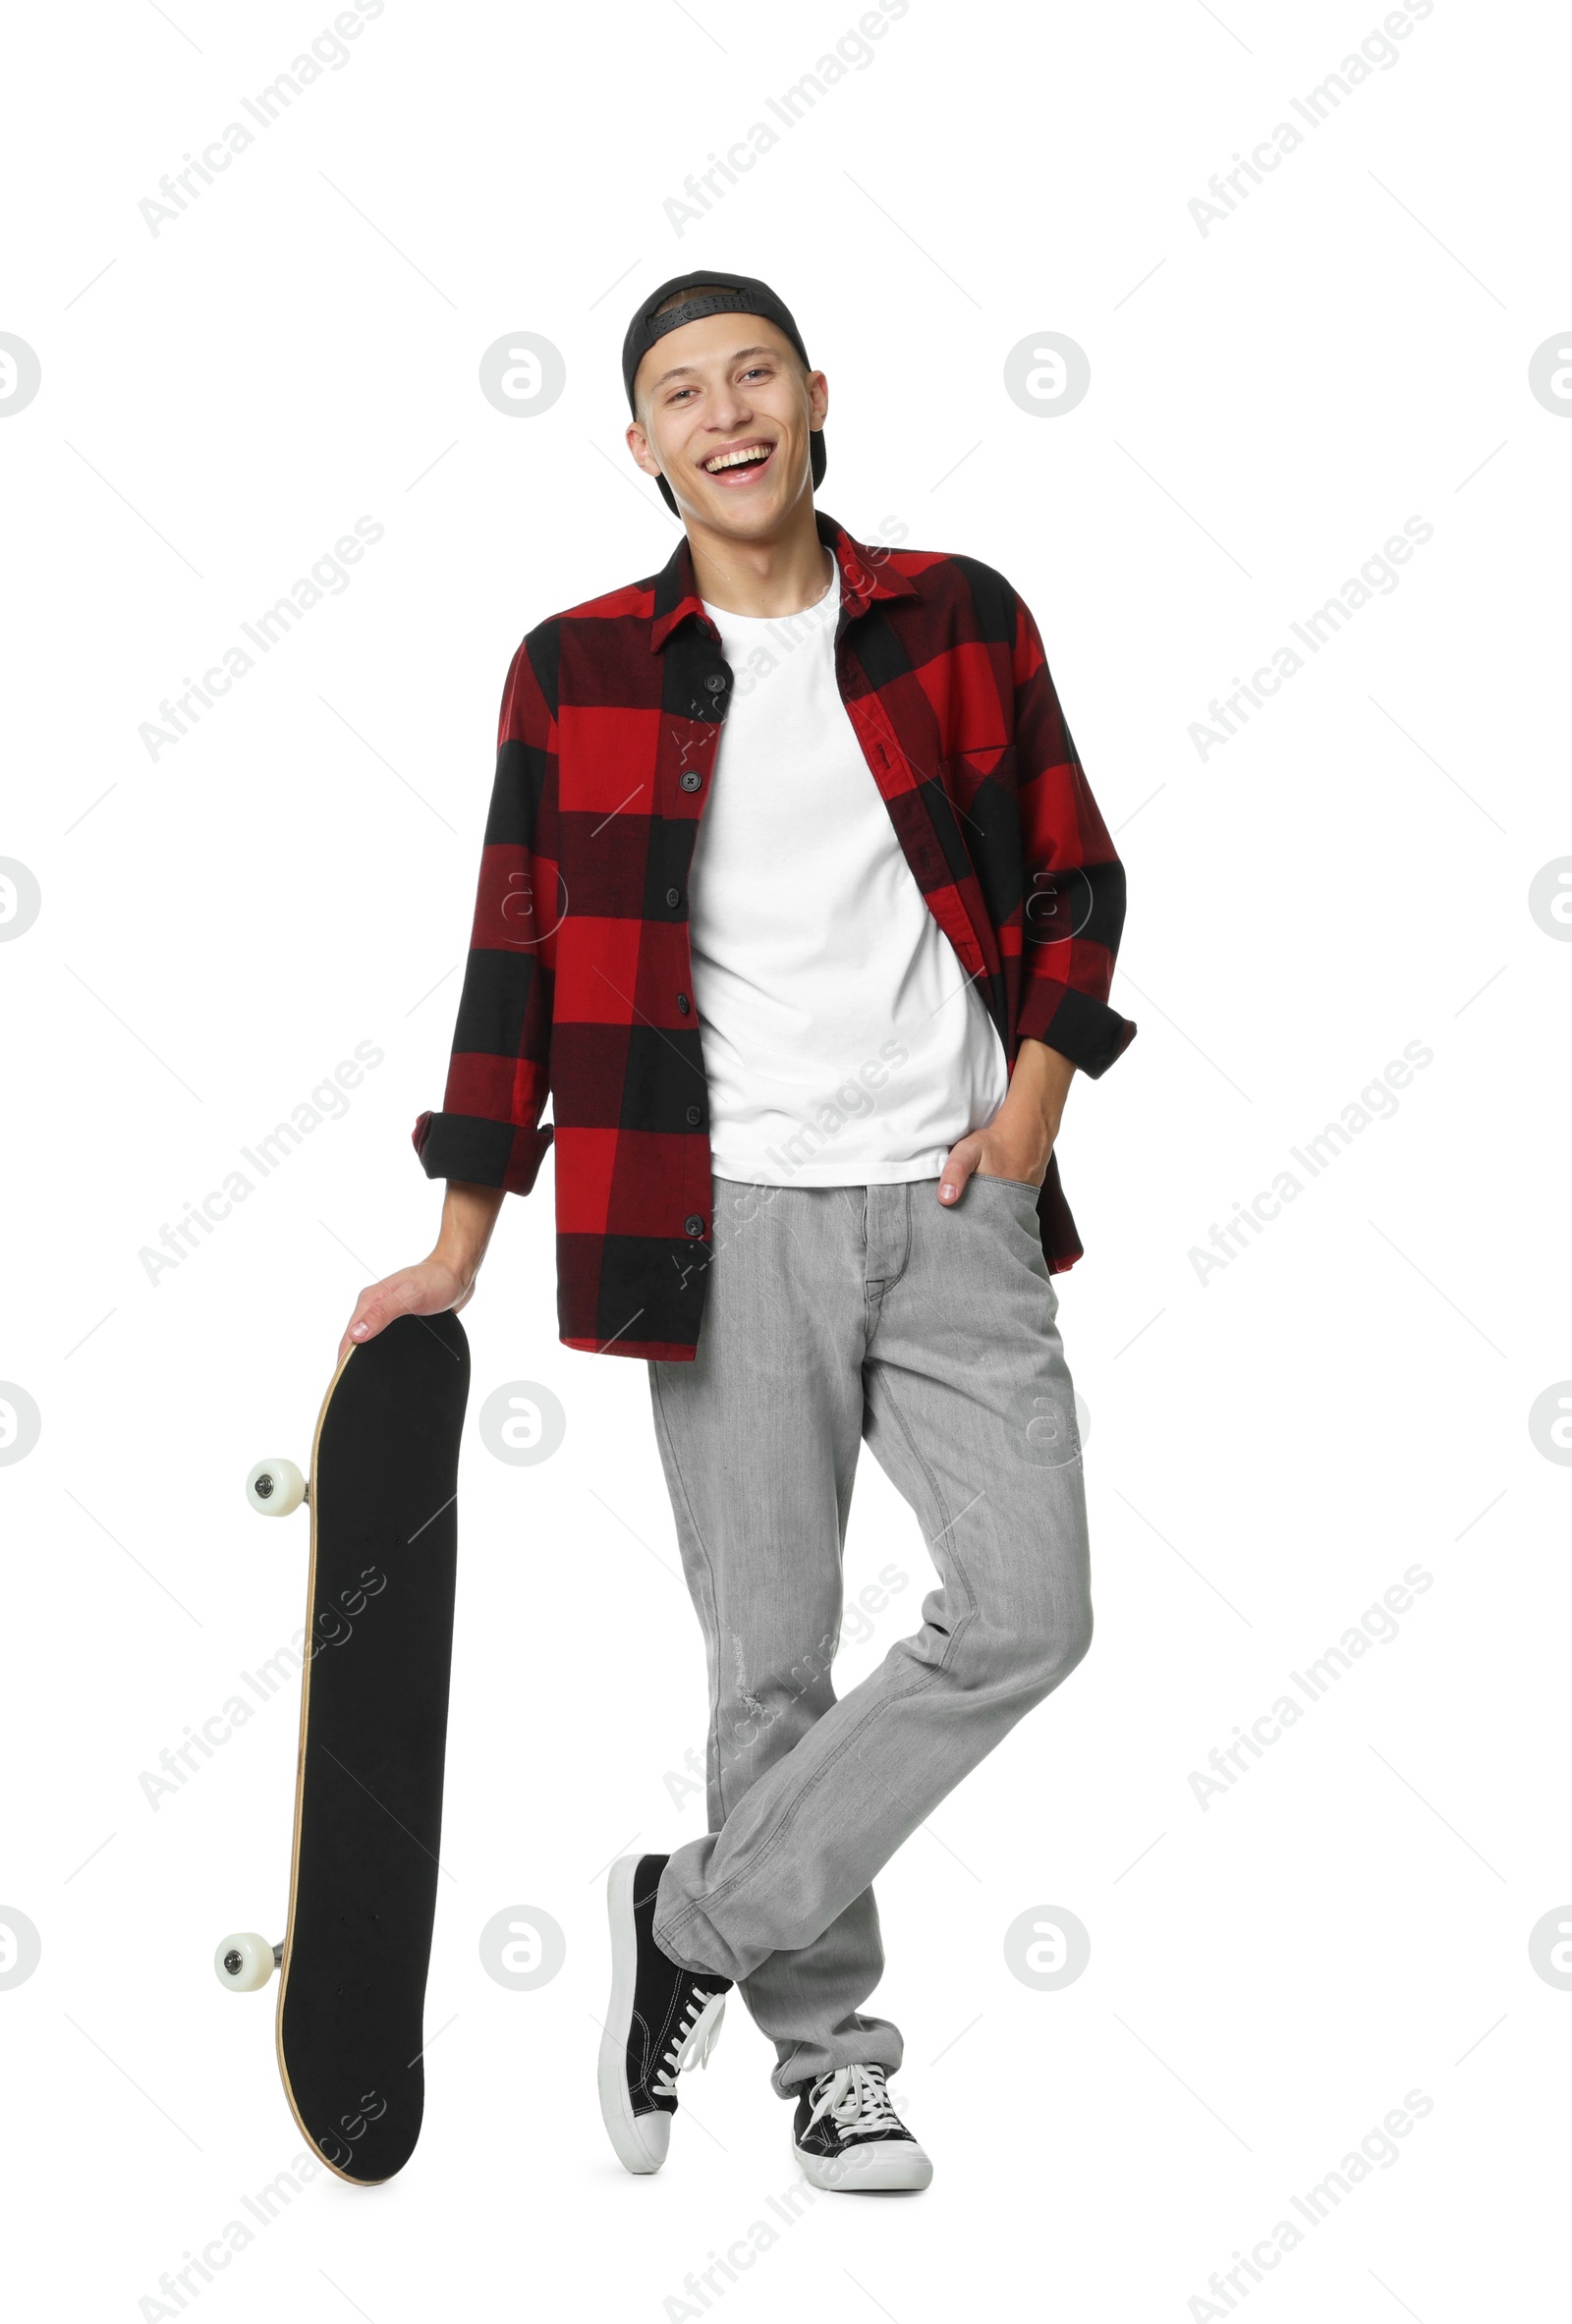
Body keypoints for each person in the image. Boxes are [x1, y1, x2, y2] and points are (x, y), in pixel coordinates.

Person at [340, 269, 1136, 2193]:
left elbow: (1071, 869)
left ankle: (683, 1924)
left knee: (1028, 1613)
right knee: (766, 1670)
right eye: (678, 392)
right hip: (718, 1214)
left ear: (812, 397)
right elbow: (513, 959)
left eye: (751, 375)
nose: (724, 414)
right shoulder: (577, 669)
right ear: (639, 447)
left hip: (957, 1207)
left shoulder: (955, 615)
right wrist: (457, 1236)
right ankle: (830, 2060)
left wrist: (1024, 1116)